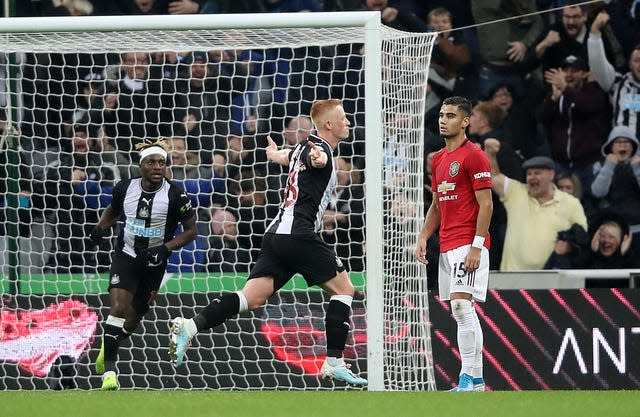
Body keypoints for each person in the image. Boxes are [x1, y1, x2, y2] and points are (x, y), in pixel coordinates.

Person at [167, 99, 367, 386]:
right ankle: (334, 362)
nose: (348, 122)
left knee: (251, 298)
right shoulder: (320, 150)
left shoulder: (302, 147)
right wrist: (318, 161)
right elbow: (316, 159)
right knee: (345, 289)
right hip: (299, 235)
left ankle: (190, 326)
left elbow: (290, 156)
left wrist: (274, 155)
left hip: (276, 236)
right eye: (344, 118)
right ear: (328, 125)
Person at [86, 138, 197, 391]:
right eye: (151, 162)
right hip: (126, 256)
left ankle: (110, 341)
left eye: (161, 162)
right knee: (117, 308)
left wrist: (164, 248)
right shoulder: (125, 188)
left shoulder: (176, 194)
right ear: (141, 165)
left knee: (132, 320)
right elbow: (113, 211)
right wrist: (100, 228)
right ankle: (110, 374)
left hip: (155, 263)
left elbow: (191, 232)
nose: (157, 167)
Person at [415, 96, 493, 392]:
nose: (442, 119)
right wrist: (423, 236)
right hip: (446, 243)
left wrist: (476, 245)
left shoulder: (474, 155)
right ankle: (476, 380)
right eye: (441, 115)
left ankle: (469, 378)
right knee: (461, 309)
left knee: (462, 306)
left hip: (468, 242)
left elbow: (486, 205)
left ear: (465, 121)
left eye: (450, 115)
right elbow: (436, 204)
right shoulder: (437, 159)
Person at [484, 141, 588, 271]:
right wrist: (490, 154)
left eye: (537, 173)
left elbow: (582, 238)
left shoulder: (571, 203)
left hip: (552, 282)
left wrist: (569, 246)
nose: (532, 177)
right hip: (513, 280)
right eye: (529, 173)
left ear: (551, 174)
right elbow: (493, 176)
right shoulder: (516, 192)